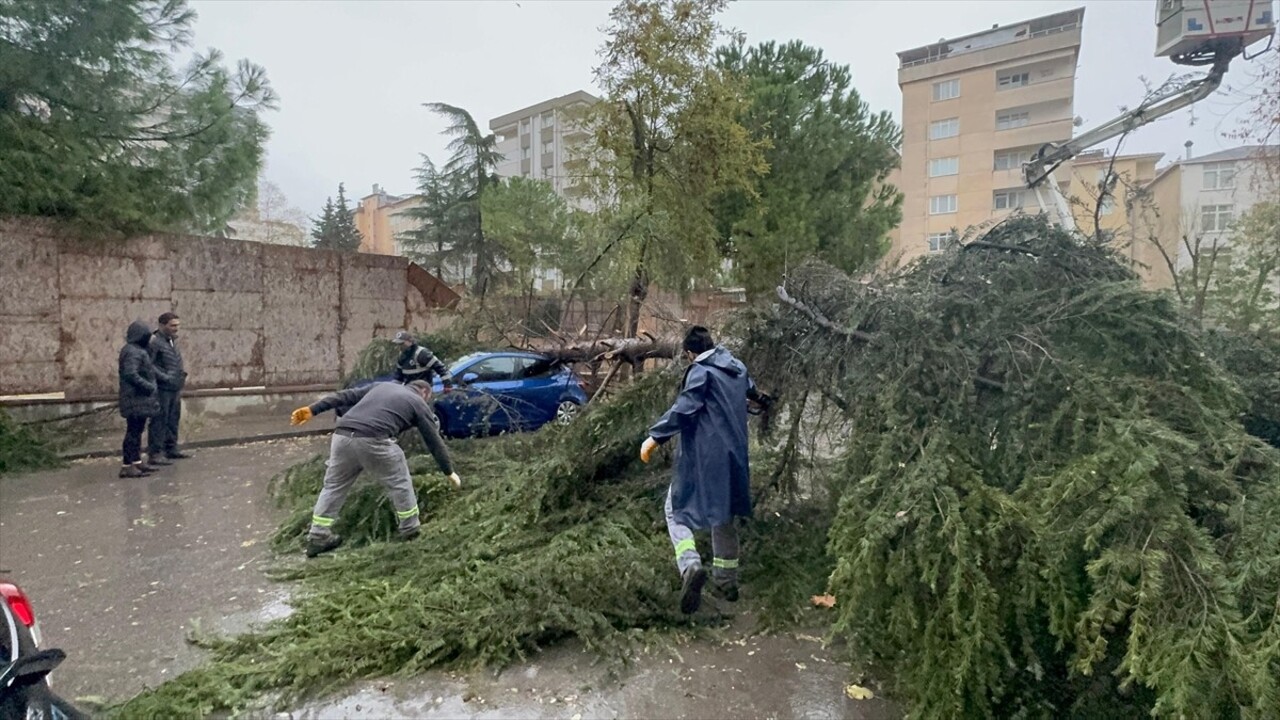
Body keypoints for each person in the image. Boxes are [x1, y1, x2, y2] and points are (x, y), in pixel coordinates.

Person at [640, 326, 766, 614]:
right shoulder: (736, 367)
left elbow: (684, 409)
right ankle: (726, 582)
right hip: (734, 458)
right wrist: (764, 401)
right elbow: (753, 394)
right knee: (723, 515)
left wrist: (654, 437)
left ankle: (690, 565)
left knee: (675, 507)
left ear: (689, 353)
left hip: (704, 458)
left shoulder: (701, 371)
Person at [289, 379, 461, 558]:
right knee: (399, 481)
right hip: (373, 439)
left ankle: (318, 536)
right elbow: (434, 442)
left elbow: (345, 396)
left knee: (333, 486)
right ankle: (410, 528)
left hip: (342, 436)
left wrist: (312, 410)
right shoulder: (418, 402)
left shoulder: (381, 386)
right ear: (425, 393)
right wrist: (449, 471)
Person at [118, 320, 162, 478]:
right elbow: (131, 373)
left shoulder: (135, 350)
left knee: (137, 431)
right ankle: (127, 465)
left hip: (137, 399)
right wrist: (148, 386)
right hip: (135, 399)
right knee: (133, 433)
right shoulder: (133, 351)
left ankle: (136, 462)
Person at [146, 312, 189, 466]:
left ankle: (171, 448)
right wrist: (164, 377)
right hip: (162, 388)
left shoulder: (171, 341)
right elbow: (148, 364)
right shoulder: (155, 342)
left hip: (174, 387)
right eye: (172, 325)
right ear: (162, 325)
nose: (176, 328)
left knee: (172, 418)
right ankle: (155, 453)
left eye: (177, 325)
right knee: (159, 419)